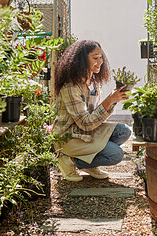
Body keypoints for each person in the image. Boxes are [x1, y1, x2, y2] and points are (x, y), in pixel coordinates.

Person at [52, 40, 132, 182]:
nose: (100, 61)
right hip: (69, 137)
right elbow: (86, 123)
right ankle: (68, 159)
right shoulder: (71, 87)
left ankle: (88, 162)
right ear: (82, 60)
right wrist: (109, 101)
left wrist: (113, 99)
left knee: (124, 131)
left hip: (84, 132)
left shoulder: (92, 82)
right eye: (95, 58)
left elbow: (93, 115)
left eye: (101, 57)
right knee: (115, 154)